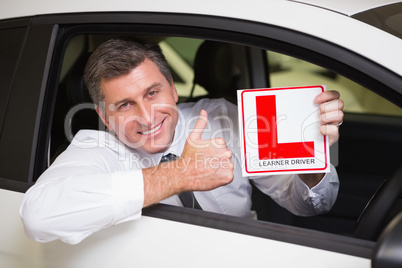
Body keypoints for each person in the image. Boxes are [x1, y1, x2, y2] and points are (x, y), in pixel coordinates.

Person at [20, 38, 343, 245]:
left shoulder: (227, 118)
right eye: (125, 105)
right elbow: (38, 216)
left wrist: (310, 156)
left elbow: (309, 205)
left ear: (172, 89)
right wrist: (180, 175)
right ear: (105, 117)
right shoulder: (97, 148)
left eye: (152, 93)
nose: (147, 117)